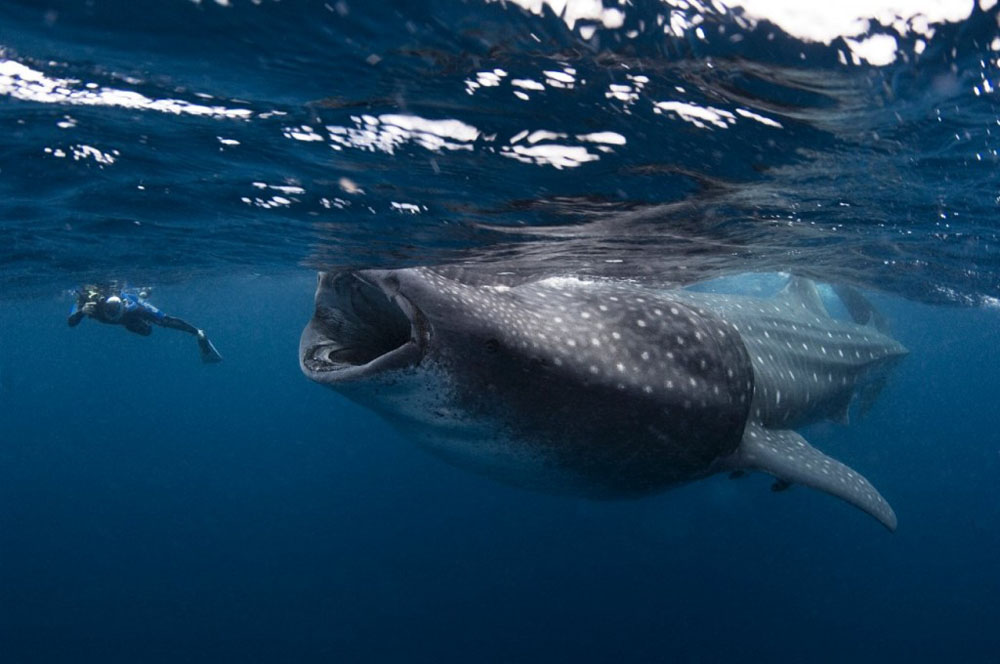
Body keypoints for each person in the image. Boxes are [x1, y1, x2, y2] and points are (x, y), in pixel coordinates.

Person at [68, 284, 223, 363]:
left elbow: (166, 321)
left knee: (148, 329)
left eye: (117, 314)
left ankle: (143, 294)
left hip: (132, 309)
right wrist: (81, 312)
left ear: (123, 308)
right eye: (110, 314)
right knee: (146, 330)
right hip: (127, 317)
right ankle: (143, 293)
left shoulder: (133, 307)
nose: (113, 318)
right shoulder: (89, 304)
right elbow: (71, 322)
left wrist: (196, 332)